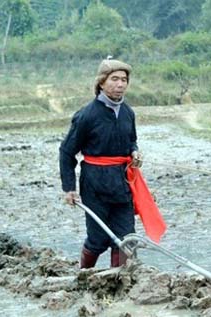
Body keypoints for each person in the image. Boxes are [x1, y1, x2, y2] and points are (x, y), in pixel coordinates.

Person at [59, 57, 165, 269]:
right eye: (114, 79)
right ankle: (84, 276)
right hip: (95, 184)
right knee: (98, 239)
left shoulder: (128, 113)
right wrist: (69, 188)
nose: (120, 84)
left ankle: (120, 281)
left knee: (126, 237)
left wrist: (134, 152)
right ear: (101, 82)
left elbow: (131, 140)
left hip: (122, 183)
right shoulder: (86, 116)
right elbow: (66, 151)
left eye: (124, 80)